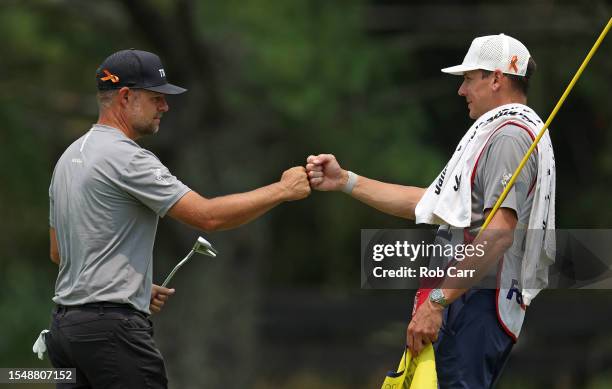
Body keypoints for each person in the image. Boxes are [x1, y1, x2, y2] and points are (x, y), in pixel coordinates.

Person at [45, 49, 311, 388]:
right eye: (157, 98)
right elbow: (208, 217)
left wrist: (130, 285)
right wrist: (283, 189)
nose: (165, 107)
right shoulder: (127, 157)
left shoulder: (68, 158)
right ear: (126, 97)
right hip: (111, 332)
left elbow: (59, 253)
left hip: (66, 331)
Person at [306, 34, 555, 388]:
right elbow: (428, 204)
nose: (461, 90)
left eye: (469, 79)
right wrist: (345, 180)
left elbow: (498, 232)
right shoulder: (500, 133)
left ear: (497, 79)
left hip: (474, 305)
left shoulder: (509, 137)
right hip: (468, 303)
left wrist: (439, 300)